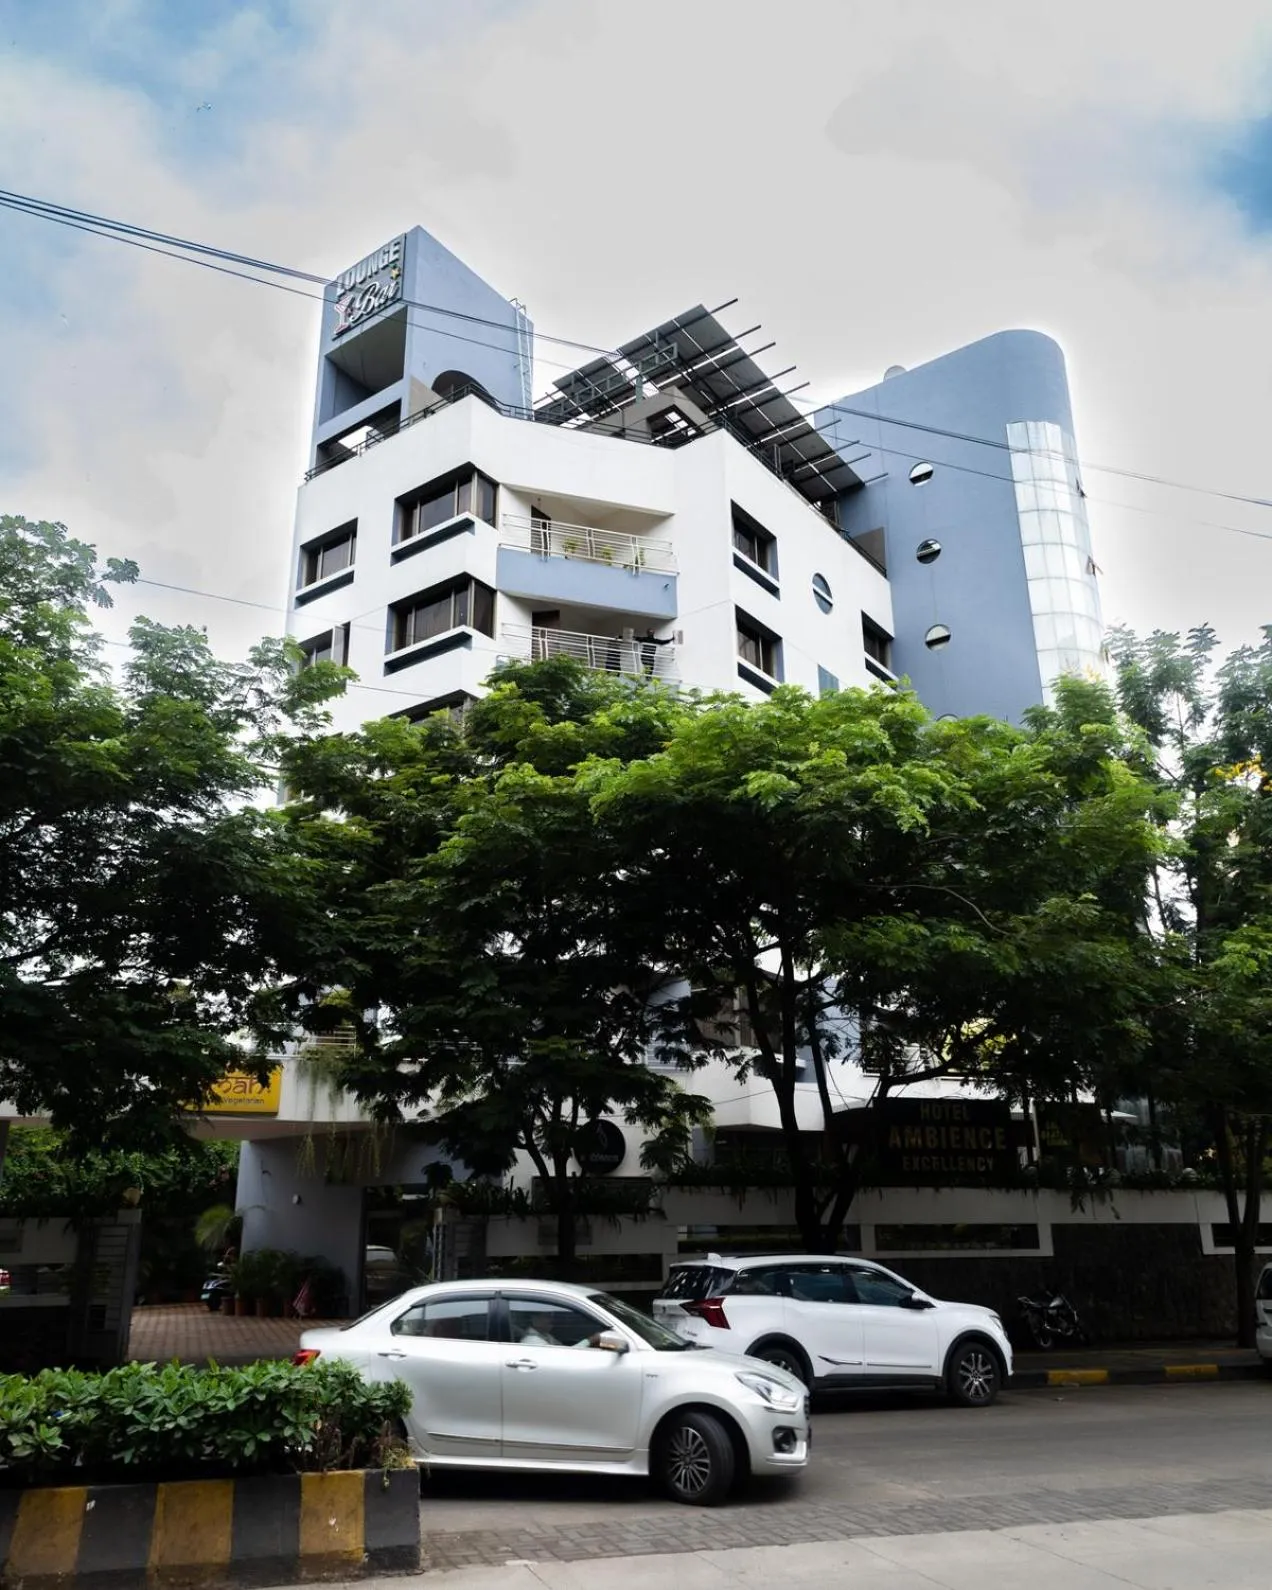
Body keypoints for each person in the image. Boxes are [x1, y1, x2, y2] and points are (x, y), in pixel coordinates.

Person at [519, 1310, 602, 1348]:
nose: (551, 1319)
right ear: (535, 1319)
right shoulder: (533, 1341)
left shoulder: (544, 1335)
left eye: (551, 1316)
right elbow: (567, 1355)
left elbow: (563, 1348)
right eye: (547, 1316)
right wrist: (591, 1340)